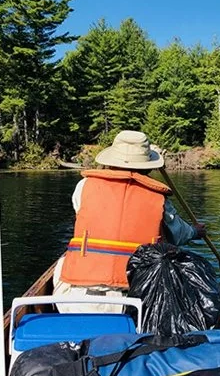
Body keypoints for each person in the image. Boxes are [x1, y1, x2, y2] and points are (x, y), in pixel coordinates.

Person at [51, 130, 204, 313]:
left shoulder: (83, 186)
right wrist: (196, 232)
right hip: (134, 299)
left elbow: (84, 213)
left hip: (74, 298)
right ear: (148, 167)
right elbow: (178, 234)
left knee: (64, 260)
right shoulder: (159, 198)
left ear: (111, 161)